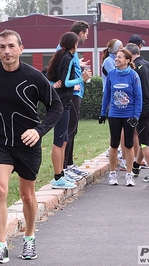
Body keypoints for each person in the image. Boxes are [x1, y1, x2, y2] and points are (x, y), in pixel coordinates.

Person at [0, 29, 63, 263]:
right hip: (0, 141)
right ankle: (1, 244)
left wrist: (38, 130)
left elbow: (56, 107)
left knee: (27, 196)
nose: (7, 51)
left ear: (21, 49)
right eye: (2, 46)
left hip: (27, 144)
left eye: (11, 46)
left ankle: (29, 237)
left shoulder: (34, 77)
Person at [47, 32, 91, 189]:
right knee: (59, 141)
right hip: (61, 103)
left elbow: (53, 76)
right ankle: (58, 177)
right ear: (75, 45)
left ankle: (62, 173)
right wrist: (81, 79)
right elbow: (65, 82)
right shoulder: (68, 58)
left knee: (64, 139)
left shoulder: (62, 56)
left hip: (64, 102)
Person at [99, 49, 142, 187]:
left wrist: (136, 115)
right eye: (116, 57)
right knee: (114, 143)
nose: (116, 59)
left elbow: (138, 98)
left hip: (129, 114)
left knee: (129, 144)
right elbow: (107, 95)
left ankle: (129, 174)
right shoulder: (111, 74)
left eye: (119, 57)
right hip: (114, 115)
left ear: (127, 60)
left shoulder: (134, 76)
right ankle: (112, 174)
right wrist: (102, 112)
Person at [124, 43, 149, 183]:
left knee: (145, 142)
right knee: (143, 138)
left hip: (141, 108)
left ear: (130, 55)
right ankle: (135, 167)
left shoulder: (133, 69)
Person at [63, 20, 91, 178]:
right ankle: (65, 167)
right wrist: (77, 82)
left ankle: (69, 164)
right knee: (69, 130)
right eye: (86, 33)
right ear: (80, 33)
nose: (86, 37)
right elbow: (61, 69)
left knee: (73, 129)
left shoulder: (72, 50)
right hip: (71, 94)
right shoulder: (66, 48)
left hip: (75, 94)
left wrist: (78, 65)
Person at [101, 39, 127, 170]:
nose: (122, 48)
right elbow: (116, 76)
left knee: (121, 125)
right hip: (111, 96)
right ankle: (113, 148)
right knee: (115, 124)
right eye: (120, 47)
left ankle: (118, 148)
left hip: (119, 96)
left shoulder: (114, 59)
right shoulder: (108, 62)